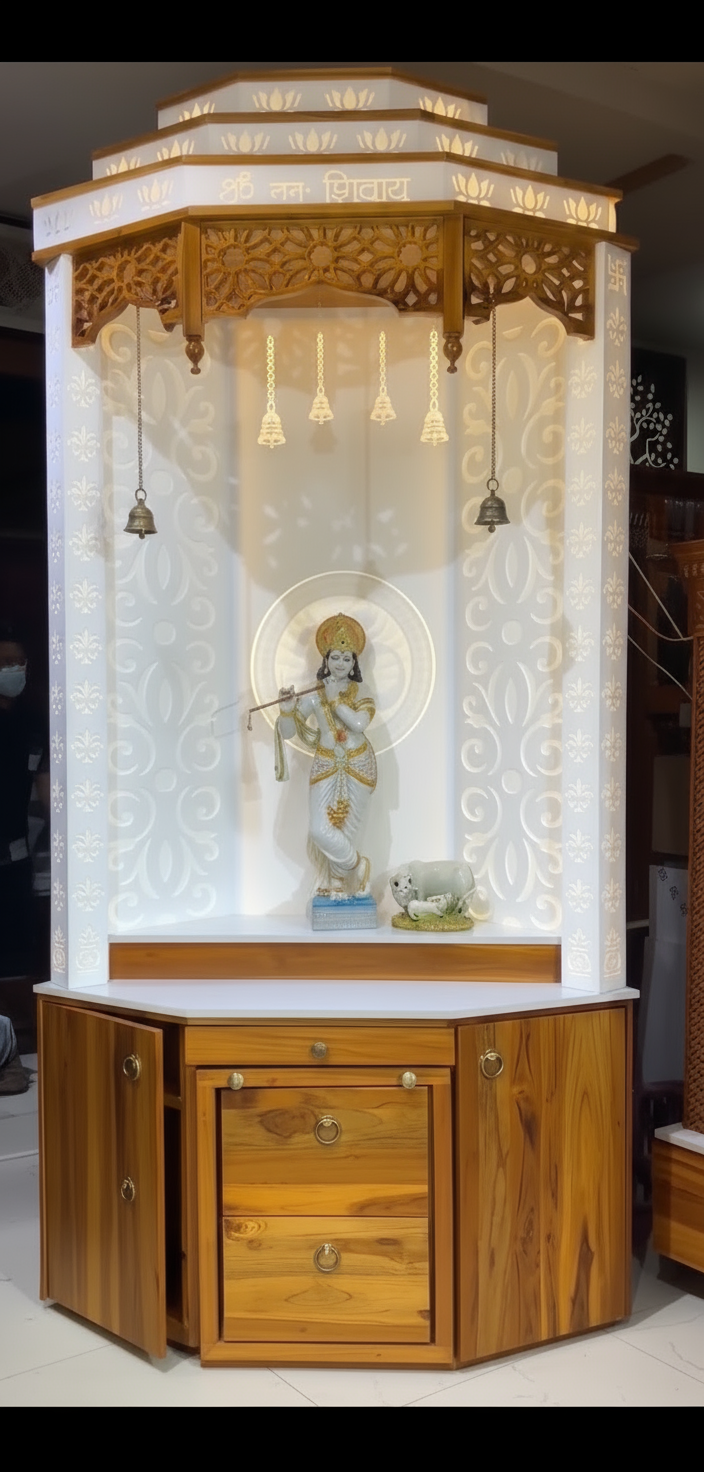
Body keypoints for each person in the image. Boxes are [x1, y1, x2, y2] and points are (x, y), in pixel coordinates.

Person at [275, 612, 376, 897]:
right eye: (335, 657)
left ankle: (337, 883)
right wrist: (286, 710)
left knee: (346, 829)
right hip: (326, 765)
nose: (341, 664)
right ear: (326, 660)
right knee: (321, 829)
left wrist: (334, 701)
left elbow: (358, 724)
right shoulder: (314, 695)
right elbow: (287, 732)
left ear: (354, 662)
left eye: (347, 658)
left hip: (358, 765)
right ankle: (358, 866)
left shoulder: (362, 692)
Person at [0, 622, 49, 977]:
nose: (14, 669)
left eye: (19, 662)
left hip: (16, 858)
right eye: (5, 662)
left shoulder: (33, 723)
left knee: (17, 956)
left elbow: (46, 790)